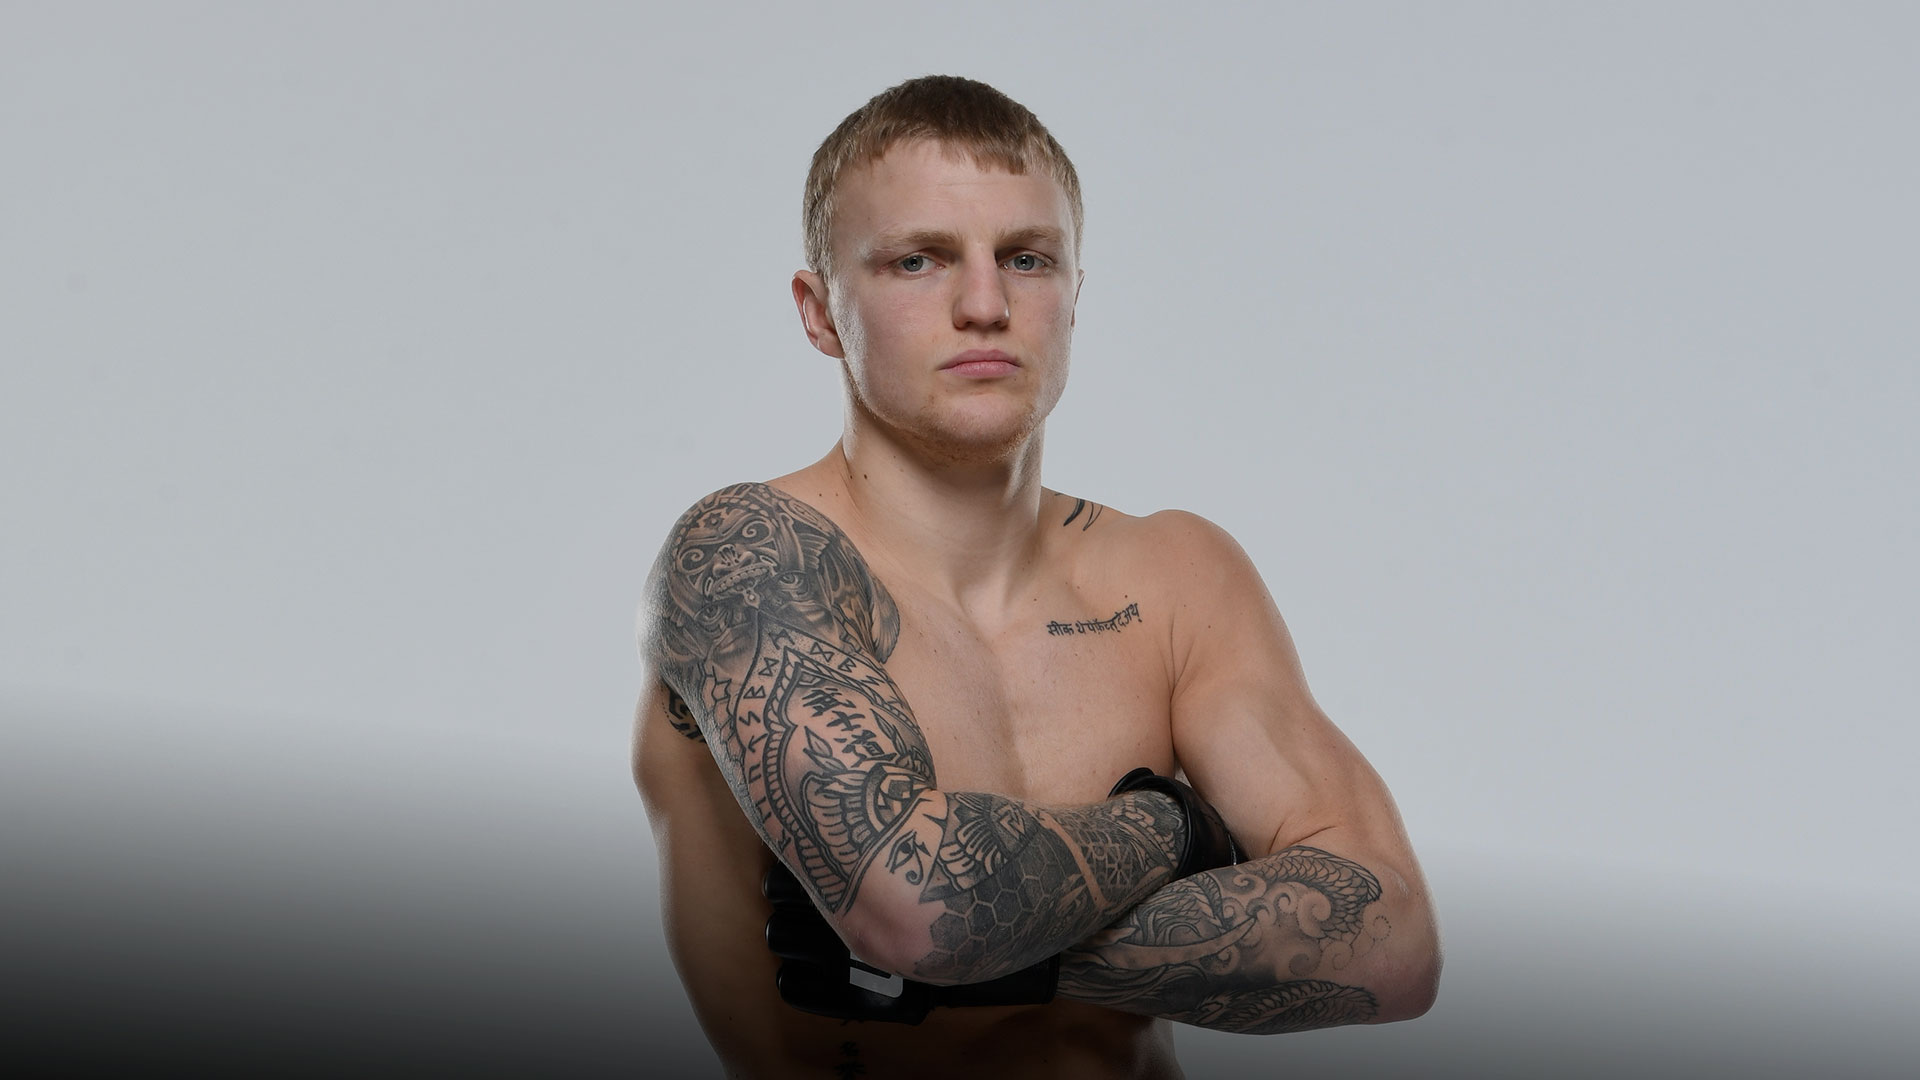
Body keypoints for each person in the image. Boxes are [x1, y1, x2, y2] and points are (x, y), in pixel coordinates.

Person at [633, 75, 1440, 1079]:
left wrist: (1006, 959)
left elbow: (1393, 942)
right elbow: (920, 912)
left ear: (1073, 295)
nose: (985, 305)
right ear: (821, 312)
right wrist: (1179, 826)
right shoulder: (750, 559)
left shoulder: (1176, 575)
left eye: (1026, 258)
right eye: (918, 260)